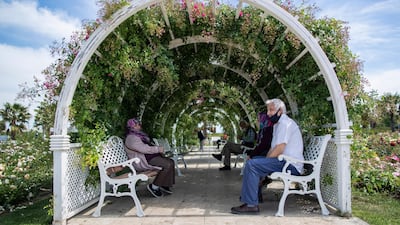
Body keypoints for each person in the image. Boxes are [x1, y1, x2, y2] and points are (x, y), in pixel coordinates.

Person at [230, 98, 304, 214]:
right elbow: (272, 148)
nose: (268, 113)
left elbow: (280, 149)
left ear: (280, 111)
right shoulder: (277, 125)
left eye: (271, 110)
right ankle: (254, 198)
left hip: (290, 165)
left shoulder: (285, 123)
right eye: (268, 110)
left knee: (253, 164)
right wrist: (264, 163)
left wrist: (264, 164)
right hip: (282, 162)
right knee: (255, 161)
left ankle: (251, 205)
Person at [125, 118, 175, 198]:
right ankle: (154, 187)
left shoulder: (138, 135)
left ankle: (163, 183)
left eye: (138, 124)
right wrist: (157, 149)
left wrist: (157, 149)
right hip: (142, 161)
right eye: (137, 124)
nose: (139, 125)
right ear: (132, 127)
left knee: (171, 162)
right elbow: (143, 149)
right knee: (167, 164)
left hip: (149, 158)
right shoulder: (131, 138)